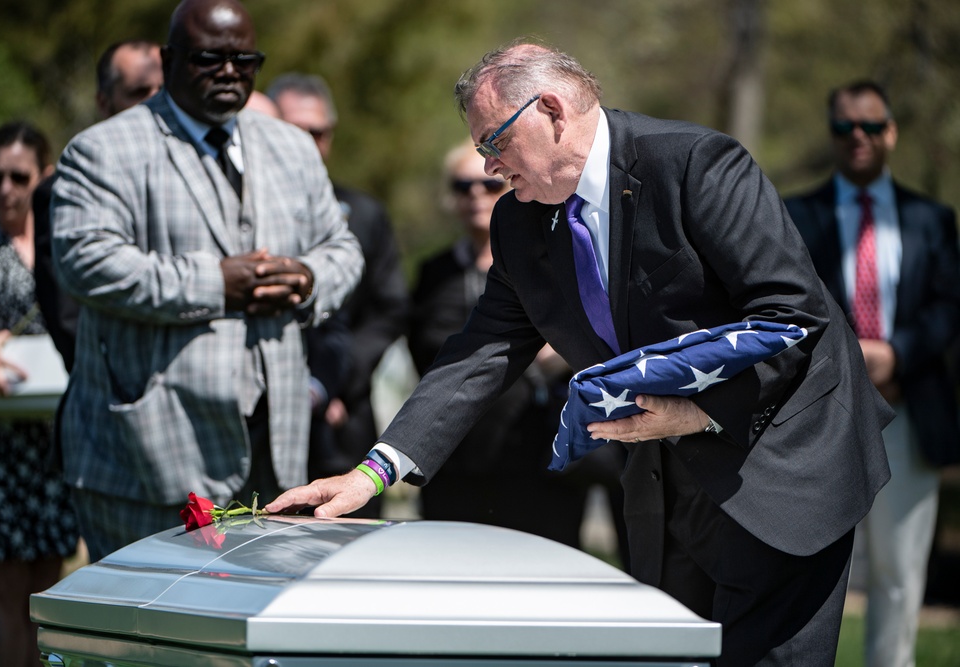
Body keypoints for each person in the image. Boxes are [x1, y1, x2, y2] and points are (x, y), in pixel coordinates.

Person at [267, 41, 895, 666]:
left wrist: (697, 413)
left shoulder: (697, 165)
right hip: (667, 484)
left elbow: (793, 319)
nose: (489, 167)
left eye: (494, 142)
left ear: (551, 110)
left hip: (784, 466)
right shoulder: (518, 222)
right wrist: (370, 475)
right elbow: (478, 353)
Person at [50, 0, 363, 562]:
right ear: (169, 60)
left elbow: (343, 250)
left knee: (255, 631)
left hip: (277, 447)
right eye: (208, 59)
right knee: (151, 636)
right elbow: (85, 260)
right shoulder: (105, 149)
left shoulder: (289, 146)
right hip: (148, 455)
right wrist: (215, 284)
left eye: (245, 60)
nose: (228, 72)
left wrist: (306, 278)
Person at [784, 80, 960, 667]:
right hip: (823, 413)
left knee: (899, 571)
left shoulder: (931, 219)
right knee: (811, 568)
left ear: (890, 132)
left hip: (909, 411)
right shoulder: (795, 215)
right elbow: (785, 306)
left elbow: (948, 306)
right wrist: (851, 355)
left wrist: (896, 353)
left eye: (868, 126)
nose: (855, 137)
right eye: (842, 128)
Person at [410, 143, 595, 547]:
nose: (476, 195)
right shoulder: (433, 272)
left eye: (487, 184)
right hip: (456, 455)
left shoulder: (554, 256)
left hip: (538, 451)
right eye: (463, 186)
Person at [0, 122, 79, 667]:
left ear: (44, 176)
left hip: (58, 433)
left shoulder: (67, 243)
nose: (4, 188)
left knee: (45, 586)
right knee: (7, 585)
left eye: (18, 176)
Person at [267, 72, 409, 513]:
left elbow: (388, 308)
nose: (307, 144)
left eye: (318, 132)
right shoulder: (239, 214)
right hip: (261, 417)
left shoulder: (363, 215)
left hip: (345, 415)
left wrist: (334, 385)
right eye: (293, 132)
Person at [34, 39, 164, 372]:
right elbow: (68, 320)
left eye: (162, 90)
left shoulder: (199, 178)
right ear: (104, 103)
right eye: (138, 92)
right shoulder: (65, 189)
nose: (155, 102)